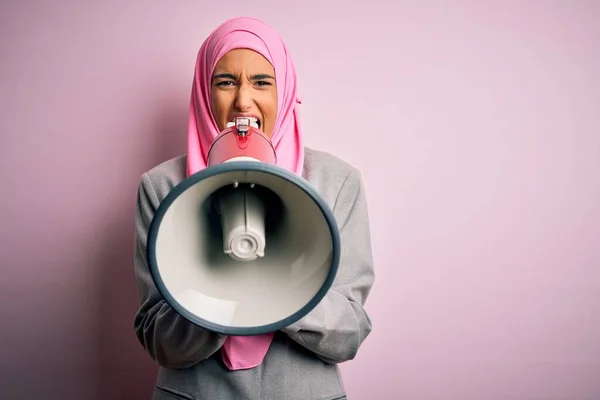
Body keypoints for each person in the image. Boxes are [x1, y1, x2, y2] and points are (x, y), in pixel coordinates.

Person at [133, 16, 375, 400]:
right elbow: (158, 341)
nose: (243, 100)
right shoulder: (162, 186)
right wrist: (221, 293)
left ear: (285, 89)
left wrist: (280, 286)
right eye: (225, 82)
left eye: (262, 82)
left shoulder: (337, 181)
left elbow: (348, 336)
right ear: (202, 92)